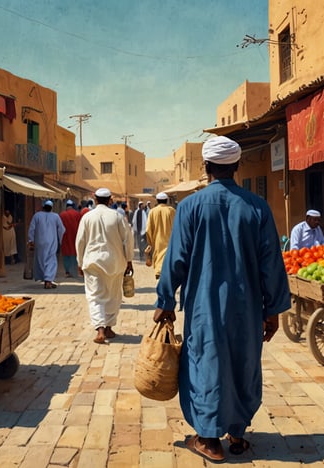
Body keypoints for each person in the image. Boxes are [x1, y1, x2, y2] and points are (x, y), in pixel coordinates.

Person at [154, 136, 291, 463]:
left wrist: (165, 301)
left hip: (205, 307)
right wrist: (273, 310)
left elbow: (176, 260)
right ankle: (237, 433)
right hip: (246, 306)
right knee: (242, 363)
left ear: (206, 168)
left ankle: (209, 439)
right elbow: (272, 261)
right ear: (237, 167)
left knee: (207, 365)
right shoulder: (257, 207)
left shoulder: (189, 207)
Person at [76, 188, 134, 344]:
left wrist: (80, 262)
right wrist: (129, 260)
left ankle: (100, 329)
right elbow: (128, 240)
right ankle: (108, 328)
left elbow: (80, 241)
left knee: (95, 296)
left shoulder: (87, 217)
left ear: (95, 199)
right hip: (115, 263)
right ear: (110, 200)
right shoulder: (118, 217)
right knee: (114, 295)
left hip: (93, 263)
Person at [28, 200, 65, 289]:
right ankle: (48, 280)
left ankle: (45, 278)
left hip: (39, 242)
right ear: (51, 207)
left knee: (41, 260)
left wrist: (31, 240)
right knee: (51, 260)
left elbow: (31, 229)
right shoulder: (56, 216)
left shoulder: (37, 216)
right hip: (52, 241)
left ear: (43, 206)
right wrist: (60, 240)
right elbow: (62, 229)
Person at [145, 191, 176, 279]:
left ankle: (159, 273)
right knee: (168, 261)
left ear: (157, 201)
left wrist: (150, 243)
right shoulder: (172, 211)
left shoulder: (152, 212)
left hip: (157, 242)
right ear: (166, 200)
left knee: (159, 260)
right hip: (170, 242)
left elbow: (148, 229)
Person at [59, 199, 82, 278]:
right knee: (75, 252)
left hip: (65, 236)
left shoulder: (62, 215)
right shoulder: (77, 214)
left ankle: (67, 271)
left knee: (66, 254)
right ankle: (74, 269)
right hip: (75, 236)